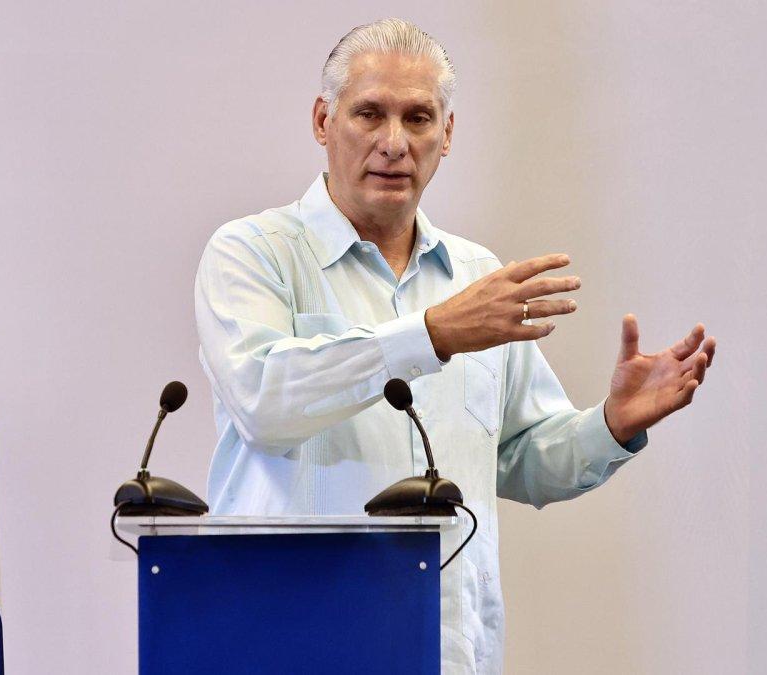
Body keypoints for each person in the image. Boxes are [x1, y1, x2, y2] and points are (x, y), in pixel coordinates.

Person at [193, 18, 716, 674]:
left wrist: (610, 426)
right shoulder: (253, 254)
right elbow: (264, 404)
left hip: (448, 647)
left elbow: (524, 460)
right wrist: (432, 334)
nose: (394, 143)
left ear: (448, 134)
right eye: (369, 114)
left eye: (418, 118)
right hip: (296, 642)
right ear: (323, 121)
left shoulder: (476, 276)